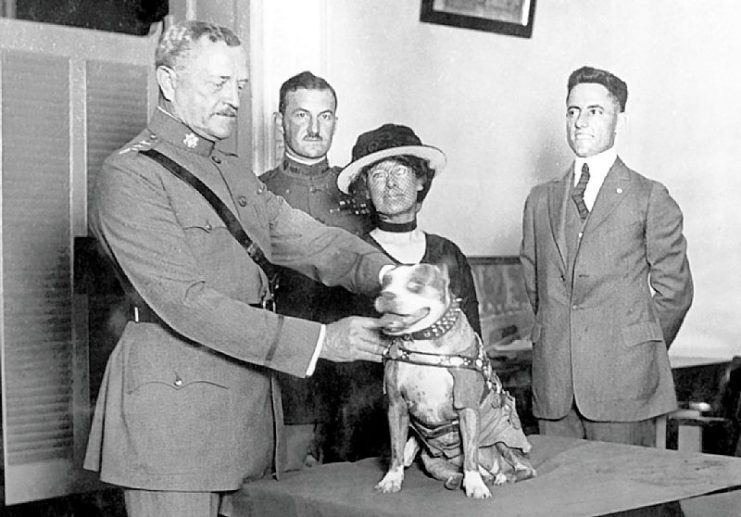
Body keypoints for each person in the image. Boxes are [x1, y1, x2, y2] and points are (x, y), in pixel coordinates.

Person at [83, 21, 393, 517]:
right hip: (173, 433)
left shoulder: (233, 171)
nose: (233, 98)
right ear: (167, 82)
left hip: (247, 419)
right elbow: (188, 304)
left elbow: (310, 238)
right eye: (217, 83)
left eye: (241, 85)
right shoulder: (130, 175)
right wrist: (322, 342)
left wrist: (390, 275)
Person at [519, 65, 693, 446]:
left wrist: (635, 347)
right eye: (572, 111)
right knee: (560, 502)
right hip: (555, 390)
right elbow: (537, 287)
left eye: (595, 111)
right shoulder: (540, 199)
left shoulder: (649, 196)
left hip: (625, 388)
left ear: (619, 121)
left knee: (625, 502)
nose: (580, 122)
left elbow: (675, 292)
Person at [335, 123, 482, 459]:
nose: (390, 183)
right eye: (377, 174)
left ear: (419, 181)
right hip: (369, 430)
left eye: (400, 170)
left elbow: (474, 350)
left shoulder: (448, 255)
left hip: (444, 436)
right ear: (365, 188)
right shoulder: (349, 255)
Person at [260, 71, 373, 467]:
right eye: (301, 115)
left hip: (356, 379)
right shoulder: (256, 194)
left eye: (324, 117)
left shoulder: (361, 194)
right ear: (280, 122)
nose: (313, 128)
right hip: (288, 377)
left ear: (336, 123)